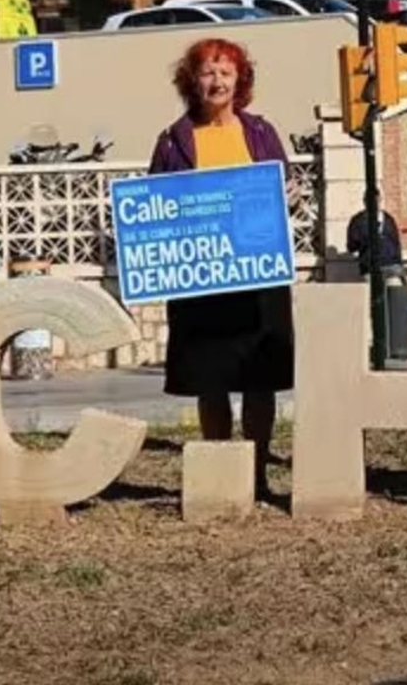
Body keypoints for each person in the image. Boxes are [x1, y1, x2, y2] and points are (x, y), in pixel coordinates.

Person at [149, 38, 295, 494]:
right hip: (202, 280)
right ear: (192, 81)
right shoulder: (172, 140)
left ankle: (257, 475)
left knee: (259, 380)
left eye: (226, 72)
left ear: (240, 81)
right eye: (208, 72)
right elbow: (156, 207)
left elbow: (283, 187)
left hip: (258, 278)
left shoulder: (261, 133)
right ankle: (220, 479)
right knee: (209, 380)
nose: (217, 81)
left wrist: (286, 197)